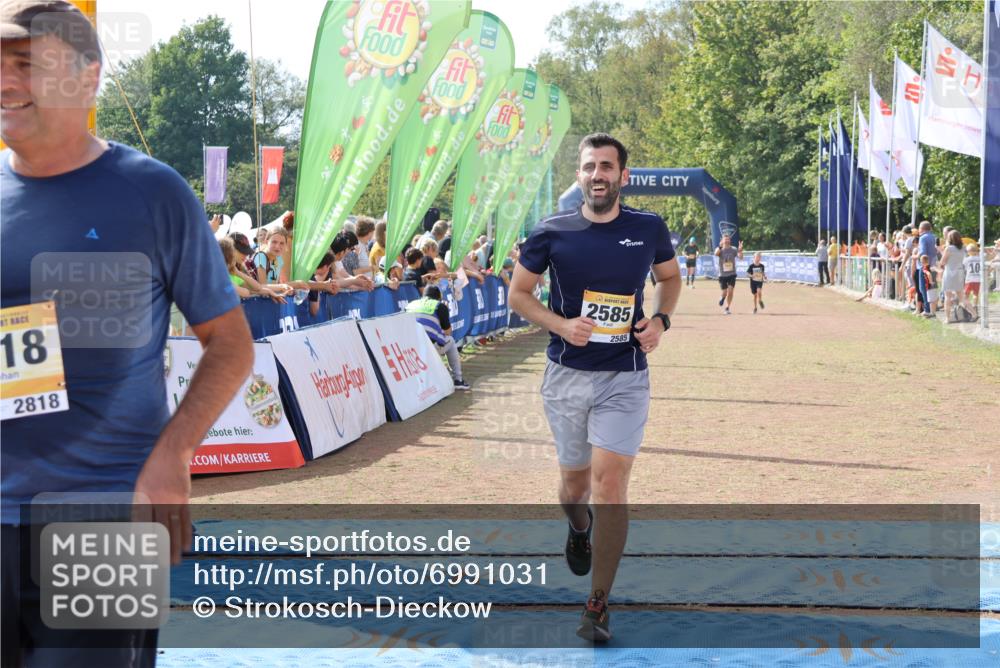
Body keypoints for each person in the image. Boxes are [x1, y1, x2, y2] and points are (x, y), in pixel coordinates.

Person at [1, 3, 255, 665]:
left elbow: (230, 343)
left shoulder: (152, 194)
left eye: (26, 64)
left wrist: (173, 458)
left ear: (89, 78)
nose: (4, 81)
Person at [508, 133, 680, 642]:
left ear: (623, 176)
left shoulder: (648, 227)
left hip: (624, 376)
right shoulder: (551, 231)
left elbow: (668, 279)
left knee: (610, 484)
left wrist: (661, 322)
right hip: (566, 376)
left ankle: (598, 603)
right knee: (575, 490)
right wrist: (560, 326)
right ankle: (578, 528)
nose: (598, 174)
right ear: (580, 174)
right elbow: (519, 293)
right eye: (590, 166)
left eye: (608, 166)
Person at [405, 285, 470, 390]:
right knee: (451, 341)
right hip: (427, 348)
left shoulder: (410, 304)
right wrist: (445, 311)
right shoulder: (440, 306)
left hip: (409, 349)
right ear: (439, 297)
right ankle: (458, 379)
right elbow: (448, 333)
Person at [939, 230, 969, 323]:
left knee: (948, 296)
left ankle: (948, 318)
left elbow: (942, 262)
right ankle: (968, 314)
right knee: (961, 296)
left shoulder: (949, 248)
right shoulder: (964, 248)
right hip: (960, 272)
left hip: (950, 272)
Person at [714, 234, 743, 314]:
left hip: (732, 274)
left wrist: (740, 250)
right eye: (725, 239)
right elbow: (716, 254)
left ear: (730, 240)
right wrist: (720, 247)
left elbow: (740, 258)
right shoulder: (719, 249)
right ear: (722, 241)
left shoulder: (733, 249)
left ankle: (727, 308)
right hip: (722, 275)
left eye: (728, 239)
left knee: (730, 291)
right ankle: (722, 297)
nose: (726, 241)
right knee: (724, 292)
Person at [916, 221, 938, 316]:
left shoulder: (923, 238)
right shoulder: (933, 237)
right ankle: (932, 308)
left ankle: (927, 309)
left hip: (924, 265)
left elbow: (922, 252)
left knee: (923, 288)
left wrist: (916, 256)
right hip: (933, 265)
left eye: (919, 228)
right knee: (931, 287)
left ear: (922, 229)